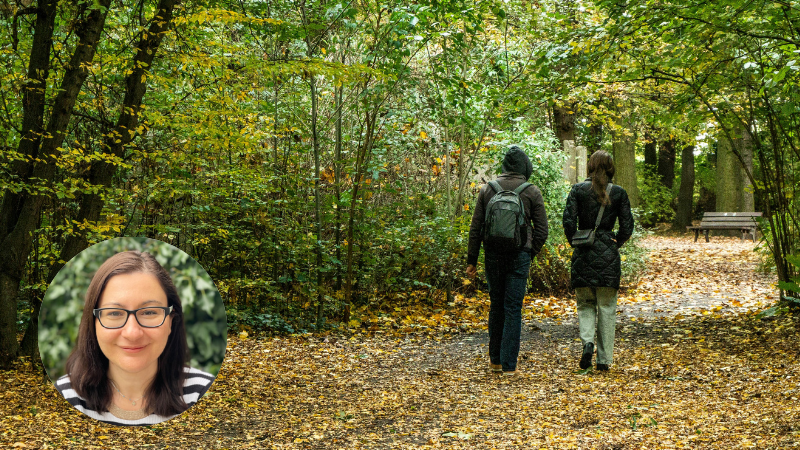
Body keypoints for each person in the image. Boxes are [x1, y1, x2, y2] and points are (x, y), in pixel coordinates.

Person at [55, 251, 215, 425]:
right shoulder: (64, 397)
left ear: (171, 320)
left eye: (149, 312)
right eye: (115, 313)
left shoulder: (205, 394)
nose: (132, 333)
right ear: (93, 323)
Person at [466, 145, 549, 375]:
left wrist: (472, 260)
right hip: (519, 256)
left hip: (492, 256)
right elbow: (542, 230)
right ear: (524, 166)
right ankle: (509, 366)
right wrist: (528, 253)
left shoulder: (488, 189)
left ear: (504, 165)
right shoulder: (531, 191)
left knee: (496, 305)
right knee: (513, 307)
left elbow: (476, 228)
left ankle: (495, 362)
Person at [562, 150, 634, 371]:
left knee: (585, 304)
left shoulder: (578, 190)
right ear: (611, 168)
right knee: (607, 307)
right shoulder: (619, 193)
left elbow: (567, 222)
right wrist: (614, 243)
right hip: (608, 257)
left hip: (583, 253)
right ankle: (604, 360)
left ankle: (587, 343)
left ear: (590, 167)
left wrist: (576, 241)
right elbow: (627, 227)